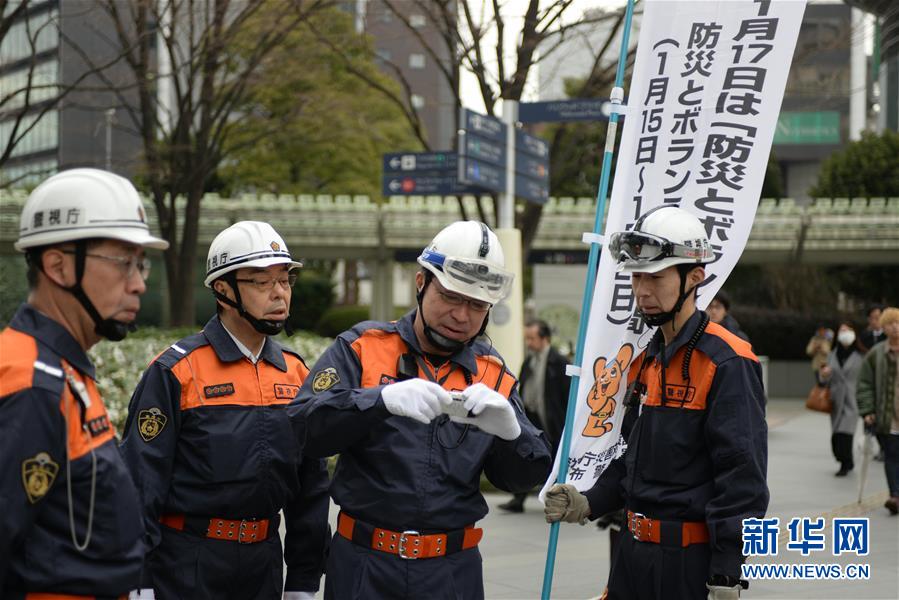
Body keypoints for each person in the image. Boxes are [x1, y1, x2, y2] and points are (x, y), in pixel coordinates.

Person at [289, 221, 552, 600]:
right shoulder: (362, 347)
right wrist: (378, 401)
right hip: (365, 564)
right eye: (450, 296)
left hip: (451, 572)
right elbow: (302, 429)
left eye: (478, 305)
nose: (462, 316)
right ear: (420, 283)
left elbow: (520, 479)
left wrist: (514, 434)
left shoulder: (494, 376)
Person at [543, 206, 768, 600]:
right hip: (631, 554)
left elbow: (742, 480)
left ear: (694, 277)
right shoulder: (649, 357)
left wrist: (727, 573)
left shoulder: (727, 361)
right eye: (636, 276)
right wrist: (587, 502)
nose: (642, 290)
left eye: (656, 277)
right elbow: (631, 458)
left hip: (688, 564)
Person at [120, 221, 330, 599]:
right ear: (223, 290)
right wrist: (138, 579)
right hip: (186, 563)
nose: (279, 294)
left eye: (285, 280)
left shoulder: (297, 373)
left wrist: (303, 579)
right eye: (262, 283)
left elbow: (311, 489)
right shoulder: (176, 371)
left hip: (263, 562)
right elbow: (140, 481)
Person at [0, 168, 167, 597]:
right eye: (123, 262)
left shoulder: (61, 367)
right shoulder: (32, 382)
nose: (140, 282)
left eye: (141, 263)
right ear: (58, 265)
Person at [498, 319, 571, 513]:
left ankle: (559, 502)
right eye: (527, 338)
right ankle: (518, 499)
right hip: (531, 416)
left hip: (552, 419)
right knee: (526, 456)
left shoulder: (559, 362)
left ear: (544, 338)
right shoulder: (529, 360)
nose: (529, 343)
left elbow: (568, 394)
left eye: (532, 338)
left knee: (556, 461)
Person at [856, 306, 899, 515]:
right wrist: (868, 410)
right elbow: (864, 383)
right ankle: (894, 496)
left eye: (898, 323)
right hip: (887, 417)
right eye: (891, 323)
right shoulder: (876, 354)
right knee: (891, 455)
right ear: (883, 327)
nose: (895, 327)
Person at [818, 323, 863, 476]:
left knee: (846, 433)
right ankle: (846, 460)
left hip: (852, 399)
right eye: (842, 330)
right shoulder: (832, 354)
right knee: (836, 434)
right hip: (836, 399)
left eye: (848, 330)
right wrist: (823, 375)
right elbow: (825, 379)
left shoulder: (861, 355)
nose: (845, 333)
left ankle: (845, 463)